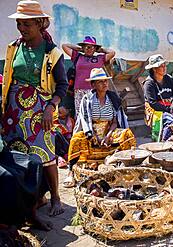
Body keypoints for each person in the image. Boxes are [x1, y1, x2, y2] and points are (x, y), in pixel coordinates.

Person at [2, 0, 68, 217]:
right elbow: (8, 81)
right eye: (19, 24)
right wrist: (4, 112)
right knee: (18, 156)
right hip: (14, 111)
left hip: (41, 111)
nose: (21, 29)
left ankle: (55, 197)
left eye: (26, 24)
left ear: (40, 24)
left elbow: (62, 85)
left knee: (45, 154)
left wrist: (51, 107)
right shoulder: (13, 48)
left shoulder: (52, 52)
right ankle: (31, 200)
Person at [63, 68, 136, 187]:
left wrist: (108, 136)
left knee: (127, 134)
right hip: (91, 132)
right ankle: (71, 172)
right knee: (76, 139)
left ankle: (127, 167)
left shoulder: (112, 99)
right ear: (93, 85)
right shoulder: (87, 100)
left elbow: (114, 121)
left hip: (108, 131)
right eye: (100, 81)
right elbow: (86, 120)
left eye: (105, 81)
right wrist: (94, 135)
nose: (104, 84)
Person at [62, 36, 115, 118]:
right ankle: (81, 131)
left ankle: (93, 131)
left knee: (94, 114)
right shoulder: (78, 57)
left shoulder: (99, 59)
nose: (89, 48)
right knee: (80, 114)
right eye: (86, 46)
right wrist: (79, 48)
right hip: (79, 90)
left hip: (95, 90)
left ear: (95, 49)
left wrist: (100, 49)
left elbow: (112, 53)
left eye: (91, 47)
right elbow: (64, 46)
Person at [143, 54, 173, 141]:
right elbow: (153, 103)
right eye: (161, 66)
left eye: (164, 66)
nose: (164, 68)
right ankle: (165, 142)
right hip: (156, 110)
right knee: (170, 120)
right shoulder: (149, 83)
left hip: (170, 107)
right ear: (154, 69)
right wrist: (168, 110)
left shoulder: (169, 79)